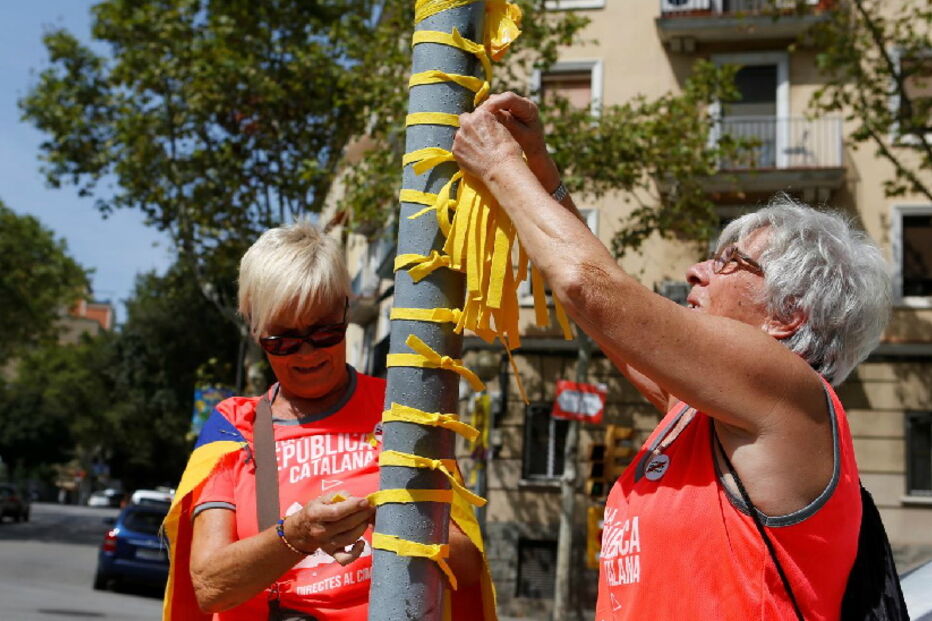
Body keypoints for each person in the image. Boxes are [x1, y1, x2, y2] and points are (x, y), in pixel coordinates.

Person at [452, 92, 892, 620]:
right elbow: (607, 314)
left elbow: (590, 289)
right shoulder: (704, 413)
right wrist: (542, 173)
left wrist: (499, 165)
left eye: (728, 261)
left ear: (788, 315)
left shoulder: (787, 388)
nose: (695, 271)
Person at [162, 221, 484, 621]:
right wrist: (296, 534)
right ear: (255, 331)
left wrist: (393, 515)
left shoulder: (403, 411)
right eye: (283, 340)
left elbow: (468, 566)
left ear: (345, 313)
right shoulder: (233, 426)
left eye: (324, 331)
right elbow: (209, 586)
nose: (307, 353)